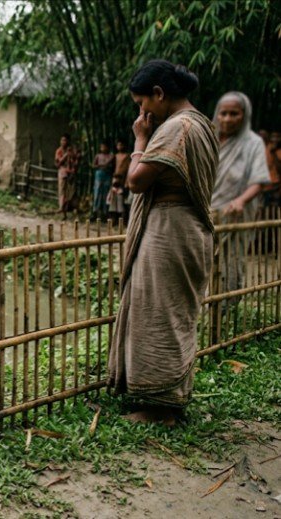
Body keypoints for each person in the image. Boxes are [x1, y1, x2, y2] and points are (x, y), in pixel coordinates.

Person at [107, 59, 218, 426]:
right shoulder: (201, 123)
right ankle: (161, 397)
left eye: (143, 103)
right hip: (182, 230)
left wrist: (140, 139)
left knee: (162, 313)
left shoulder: (178, 128)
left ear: (159, 93)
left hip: (171, 231)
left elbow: (136, 180)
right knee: (167, 312)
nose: (141, 112)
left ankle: (162, 408)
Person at [210, 92, 271, 294]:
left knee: (231, 259)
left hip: (234, 214)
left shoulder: (253, 143)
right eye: (223, 113)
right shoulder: (208, 139)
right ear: (217, 115)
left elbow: (259, 180)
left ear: (244, 115)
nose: (227, 119)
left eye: (233, 114)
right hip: (206, 212)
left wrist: (241, 200)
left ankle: (225, 304)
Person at [55, 134, 81, 219]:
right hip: (63, 172)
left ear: (68, 141)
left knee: (72, 192)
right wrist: (66, 155)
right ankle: (62, 210)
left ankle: (74, 209)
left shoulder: (73, 150)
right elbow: (58, 162)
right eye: (62, 140)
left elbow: (76, 160)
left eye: (65, 140)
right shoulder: (59, 151)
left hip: (72, 172)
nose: (63, 142)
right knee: (62, 191)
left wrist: (74, 155)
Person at [91, 142, 115, 219]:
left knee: (106, 193)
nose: (103, 148)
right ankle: (95, 212)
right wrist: (101, 165)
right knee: (97, 193)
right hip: (99, 174)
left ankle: (105, 213)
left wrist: (107, 165)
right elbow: (93, 165)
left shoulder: (111, 156)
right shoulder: (98, 155)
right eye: (102, 147)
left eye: (104, 146)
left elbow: (113, 166)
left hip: (107, 175)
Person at [109, 139, 131, 222]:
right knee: (113, 198)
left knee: (121, 198)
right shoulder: (115, 156)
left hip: (123, 178)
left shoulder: (127, 156)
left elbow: (128, 168)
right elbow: (113, 167)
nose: (119, 147)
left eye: (121, 145)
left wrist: (126, 181)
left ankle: (122, 219)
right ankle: (114, 218)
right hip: (115, 178)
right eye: (118, 145)